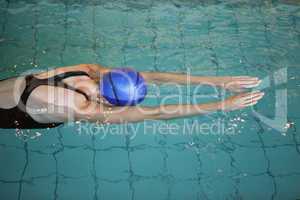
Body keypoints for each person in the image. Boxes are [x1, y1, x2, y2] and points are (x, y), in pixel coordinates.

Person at [0, 64, 264, 129]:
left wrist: (218, 81)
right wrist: (223, 105)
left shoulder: (86, 70)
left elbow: (151, 75)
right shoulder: (81, 108)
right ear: (106, 102)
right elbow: (157, 113)